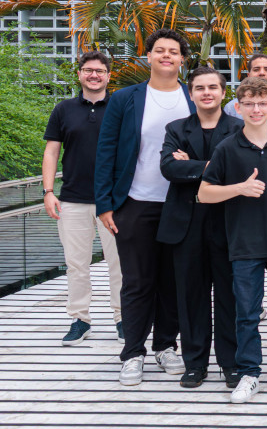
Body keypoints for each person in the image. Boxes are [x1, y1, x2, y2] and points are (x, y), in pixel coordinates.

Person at [198, 76, 267, 403]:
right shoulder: (227, 148)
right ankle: (250, 372)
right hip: (244, 243)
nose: (257, 109)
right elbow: (204, 193)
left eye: (263, 103)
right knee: (246, 312)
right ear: (238, 107)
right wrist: (239, 188)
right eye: (250, 103)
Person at [95, 28, 193, 385]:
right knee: (136, 281)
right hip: (134, 202)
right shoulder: (126, 99)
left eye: (174, 51)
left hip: (181, 204)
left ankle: (165, 345)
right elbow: (106, 151)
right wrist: (105, 204)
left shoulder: (192, 98)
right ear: (148, 56)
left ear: (183, 59)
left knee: (173, 281)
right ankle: (132, 352)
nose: (167, 55)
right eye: (160, 50)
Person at [157, 67, 242, 388]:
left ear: (223, 93)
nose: (207, 93)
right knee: (190, 298)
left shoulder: (238, 128)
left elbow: (241, 169)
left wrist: (192, 164)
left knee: (229, 298)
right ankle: (195, 364)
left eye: (213, 87)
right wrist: (213, 166)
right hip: (186, 225)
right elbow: (168, 167)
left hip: (228, 224)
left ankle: (231, 364)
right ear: (190, 94)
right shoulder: (176, 128)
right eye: (199, 88)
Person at [43, 51, 123, 347]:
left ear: (108, 75)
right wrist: (48, 191)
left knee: (120, 262)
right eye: (88, 70)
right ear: (79, 74)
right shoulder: (64, 109)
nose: (94, 75)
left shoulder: (120, 106)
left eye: (99, 71)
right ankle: (80, 319)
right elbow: (52, 151)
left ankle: (123, 318)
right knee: (76, 263)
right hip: (73, 199)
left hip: (113, 201)